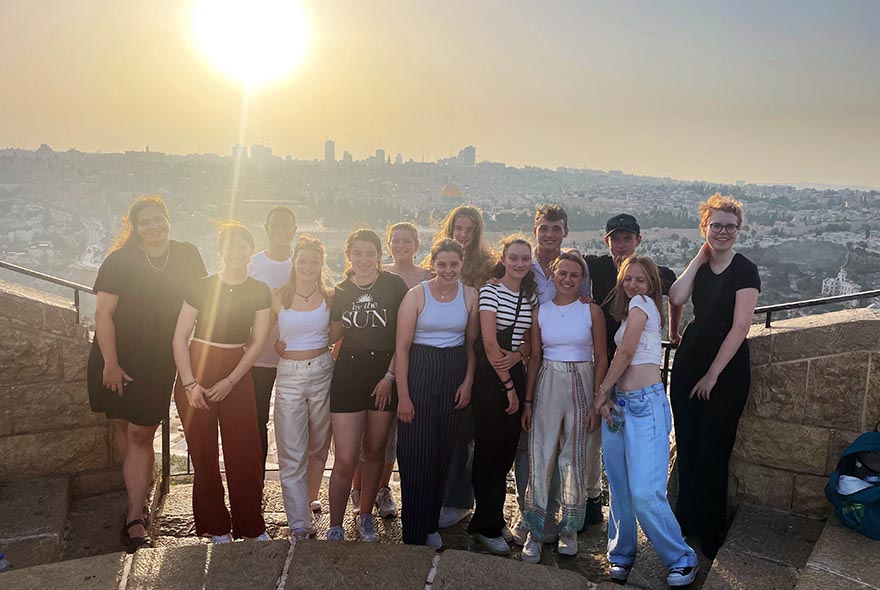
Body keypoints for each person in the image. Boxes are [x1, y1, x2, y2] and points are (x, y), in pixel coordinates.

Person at [88, 195, 206, 553]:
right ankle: (137, 495)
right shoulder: (120, 261)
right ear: (134, 227)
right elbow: (103, 314)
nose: (154, 226)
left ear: (168, 219)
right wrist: (110, 362)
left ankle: (135, 518)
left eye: (159, 219)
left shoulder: (187, 254)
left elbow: (206, 299)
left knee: (141, 431)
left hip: (159, 359)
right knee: (125, 426)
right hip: (116, 357)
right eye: (145, 222)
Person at [593, 255, 698, 587]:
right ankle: (622, 554)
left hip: (643, 406)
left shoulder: (642, 305)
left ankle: (682, 558)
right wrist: (610, 395)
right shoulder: (630, 311)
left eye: (640, 279)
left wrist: (600, 393)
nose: (633, 285)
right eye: (628, 279)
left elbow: (625, 353)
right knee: (621, 488)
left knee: (645, 492)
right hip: (622, 405)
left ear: (651, 284)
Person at [668, 194, 760, 559]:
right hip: (690, 359)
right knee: (689, 445)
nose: (723, 232)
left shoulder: (745, 269)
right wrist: (699, 256)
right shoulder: (703, 265)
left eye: (729, 226)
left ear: (739, 230)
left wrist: (712, 376)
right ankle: (685, 522)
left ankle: (710, 528)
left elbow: (740, 328)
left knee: (715, 450)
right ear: (704, 227)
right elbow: (676, 296)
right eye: (715, 225)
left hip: (725, 368)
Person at [172, 222, 271, 543]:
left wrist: (231, 380)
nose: (236, 252)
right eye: (230, 246)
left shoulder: (259, 289)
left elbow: (257, 341)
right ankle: (215, 527)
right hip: (196, 370)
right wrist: (189, 384)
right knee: (203, 452)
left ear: (250, 251)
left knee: (245, 451)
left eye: (243, 246)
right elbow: (179, 337)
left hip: (237, 372)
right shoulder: (200, 286)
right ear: (221, 250)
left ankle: (251, 526)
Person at [511, 204, 596, 546]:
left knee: (566, 445)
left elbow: (582, 306)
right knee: (528, 445)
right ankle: (527, 512)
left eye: (555, 228)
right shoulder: (521, 264)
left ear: (565, 232)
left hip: (566, 369)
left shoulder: (574, 268)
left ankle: (556, 515)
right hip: (525, 363)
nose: (549, 234)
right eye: (544, 228)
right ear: (535, 230)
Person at [520, 252, 608, 562]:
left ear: (582, 279)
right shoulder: (540, 312)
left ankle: (569, 528)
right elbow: (535, 359)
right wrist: (528, 401)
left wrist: (597, 402)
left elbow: (601, 357)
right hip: (548, 380)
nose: (568, 279)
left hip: (581, 379)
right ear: (553, 276)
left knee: (575, 456)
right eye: (563, 273)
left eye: (574, 274)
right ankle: (536, 528)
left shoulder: (591, 311)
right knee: (541, 454)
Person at [395, 239, 479, 548]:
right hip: (419, 370)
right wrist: (403, 396)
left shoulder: (470, 295)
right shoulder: (416, 295)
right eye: (441, 264)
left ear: (461, 264)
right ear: (433, 264)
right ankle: (413, 532)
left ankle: (431, 525)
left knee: (443, 454)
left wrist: (468, 382)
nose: (447, 270)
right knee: (416, 455)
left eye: (453, 264)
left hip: (454, 372)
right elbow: (402, 349)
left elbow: (471, 345)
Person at [326, 229, 409, 542]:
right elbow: (332, 334)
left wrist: (390, 377)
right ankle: (335, 525)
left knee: (374, 451)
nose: (363, 259)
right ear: (349, 255)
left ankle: (365, 516)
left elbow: (403, 337)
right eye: (357, 253)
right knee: (346, 458)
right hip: (348, 373)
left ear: (380, 256)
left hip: (383, 376)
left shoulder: (393, 286)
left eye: (369, 253)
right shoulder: (341, 290)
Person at [350, 222, 431, 519]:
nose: (401, 245)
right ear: (388, 244)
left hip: (414, 359)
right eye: (395, 241)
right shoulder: (376, 272)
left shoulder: (427, 276)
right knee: (367, 434)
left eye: (406, 241)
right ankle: (359, 490)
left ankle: (382, 488)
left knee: (391, 434)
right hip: (380, 359)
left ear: (416, 244)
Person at [467, 235, 538, 555]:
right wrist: (509, 386)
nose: (519, 263)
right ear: (504, 259)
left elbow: (529, 342)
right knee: (489, 451)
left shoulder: (529, 294)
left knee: (505, 453)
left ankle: (492, 517)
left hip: (514, 375)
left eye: (525, 258)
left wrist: (520, 353)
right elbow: (490, 343)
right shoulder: (491, 291)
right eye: (514, 258)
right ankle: (486, 524)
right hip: (492, 380)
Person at [272, 237, 339, 541]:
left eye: (314, 261)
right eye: (303, 261)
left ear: (320, 264)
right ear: (295, 262)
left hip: (323, 369)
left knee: (319, 445)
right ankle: (299, 522)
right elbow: (262, 330)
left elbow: (339, 331)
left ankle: (309, 497)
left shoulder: (331, 296)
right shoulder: (278, 296)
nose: (308, 266)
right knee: (291, 450)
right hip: (289, 375)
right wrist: (275, 343)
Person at [436, 205, 494, 530]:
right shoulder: (441, 260)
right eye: (458, 228)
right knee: (437, 430)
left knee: (462, 434)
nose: (463, 234)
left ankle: (458, 500)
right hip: (439, 357)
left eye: (469, 229)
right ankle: (439, 494)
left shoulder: (487, 268)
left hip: (474, 357)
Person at [248, 206, 297, 479]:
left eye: (286, 225)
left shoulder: (300, 265)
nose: (281, 230)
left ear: (294, 229)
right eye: (275, 225)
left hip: (293, 358)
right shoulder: (252, 264)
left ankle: (300, 487)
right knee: (257, 422)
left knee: (293, 424)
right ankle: (257, 482)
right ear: (266, 229)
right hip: (258, 356)